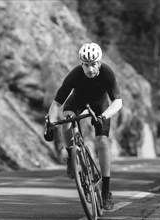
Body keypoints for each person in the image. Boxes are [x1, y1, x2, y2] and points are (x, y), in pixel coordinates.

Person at [45, 42, 122, 210]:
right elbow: (57, 103)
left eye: (93, 64)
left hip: (100, 105)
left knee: (102, 143)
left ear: (99, 62)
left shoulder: (107, 73)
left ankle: (106, 191)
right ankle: (71, 156)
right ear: (81, 64)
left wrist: (104, 116)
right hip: (77, 100)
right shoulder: (75, 75)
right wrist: (49, 123)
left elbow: (118, 102)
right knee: (66, 121)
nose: (90, 69)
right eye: (86, 65)